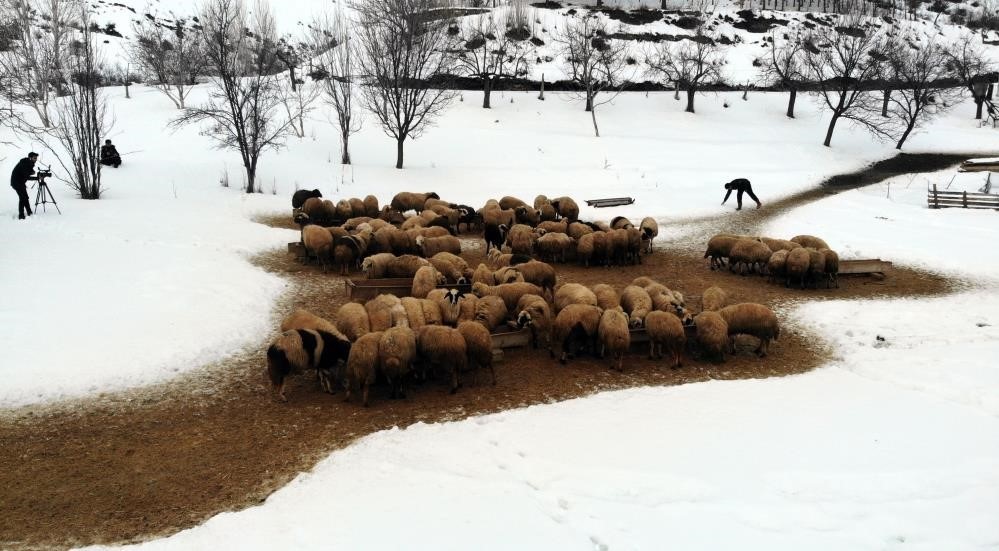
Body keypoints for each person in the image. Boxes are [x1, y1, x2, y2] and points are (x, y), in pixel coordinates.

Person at [10, 152, 38, 220]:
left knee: (25, 197)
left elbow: (29, 171)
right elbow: (27, 176)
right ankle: (21, 215)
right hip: (16, 183)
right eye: (34, 158)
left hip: (21, 182)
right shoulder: (24, 164)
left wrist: (32, 172)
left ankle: (29, 212)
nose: (36, 159)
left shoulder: (29, 163)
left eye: (36, 158)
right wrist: (37, 178)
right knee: (22, 198)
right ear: (30, 158)